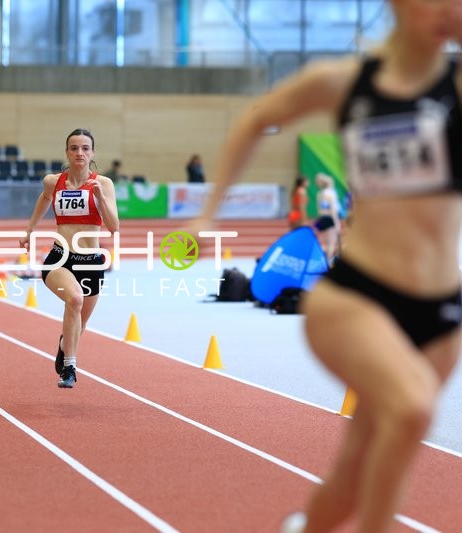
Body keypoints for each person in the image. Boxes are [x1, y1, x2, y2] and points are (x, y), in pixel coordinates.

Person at [189, 1, 462, 531]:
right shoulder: (341, 82)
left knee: (353, 473)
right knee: (411, 411)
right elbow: (255, 119)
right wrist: (207, 212)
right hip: (357, 296)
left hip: (442, 308)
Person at [19, 128, 119, 388]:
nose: (79, 153)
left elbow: (114, 226)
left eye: (85, 148)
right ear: (67, 152)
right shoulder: (53, 181)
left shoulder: (103, 184)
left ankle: (65, 345)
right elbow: (44, 199)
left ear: (92, 153)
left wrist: (99, 198)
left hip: (91, 260)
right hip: (60, 256)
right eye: (74, 148)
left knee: (80, 324)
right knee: (74, 299)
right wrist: (29, 230)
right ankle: (70, 368)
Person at [313, 172, 342, 261]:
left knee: (324, 242)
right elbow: (332, 210)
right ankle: (328, 262)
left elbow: (319, 209)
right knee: (331, 244)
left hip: (322, 218)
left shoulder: (319, 194)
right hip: (330, 219)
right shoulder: (331, 195)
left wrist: (318, 223)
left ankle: (322, 259)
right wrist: (337, 223)